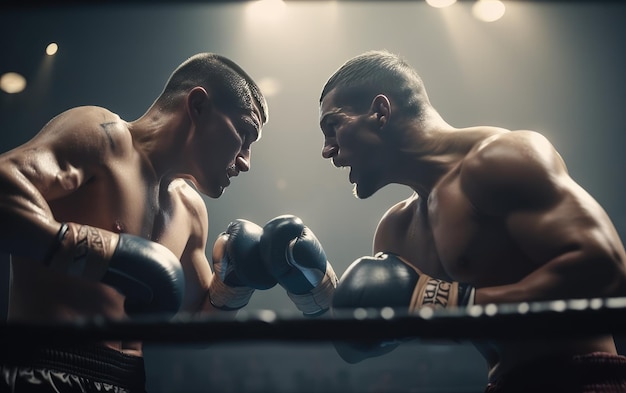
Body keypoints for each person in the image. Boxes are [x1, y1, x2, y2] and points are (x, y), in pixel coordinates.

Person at [318, 49, 626, 392]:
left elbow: (607, 268)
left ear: (380, 111)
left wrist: (459, 303)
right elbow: (354, 345)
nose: (327, 149)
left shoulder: (502, 158)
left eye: (333, 125)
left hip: (582, 379)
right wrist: (312, 285)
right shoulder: (397, 230)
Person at [0, 52, 282, 393]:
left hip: (129, 381)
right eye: (244, 134)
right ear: (198, 107)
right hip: (46, 370)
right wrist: (101, 254)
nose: (245, 161)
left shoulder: (191, 210)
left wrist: (237, 283)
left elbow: (196, 326)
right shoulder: (103, 137)